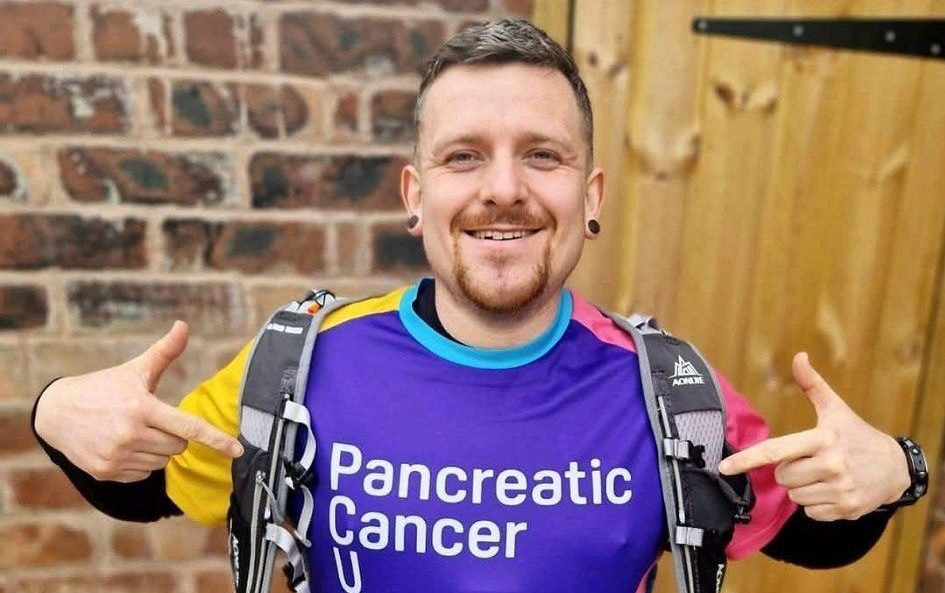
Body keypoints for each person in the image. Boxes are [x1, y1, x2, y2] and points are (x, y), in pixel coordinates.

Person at [32, 18, 924, 593]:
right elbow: (146, 485)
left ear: (590, 195)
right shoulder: (300, 364)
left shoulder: (669, 391)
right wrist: (56, 412)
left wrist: (895, 470)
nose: (503, 189)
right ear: (415, 195)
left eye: (542, 154)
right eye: (464, 156)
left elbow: (809, 531)